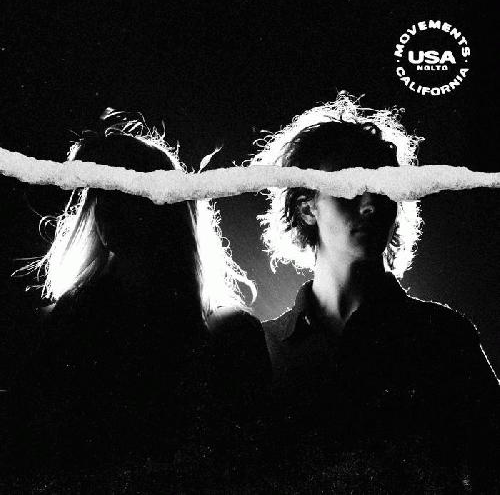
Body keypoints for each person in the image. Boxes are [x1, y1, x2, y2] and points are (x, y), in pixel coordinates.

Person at [252, 92, 500, 491]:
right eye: (351, 184)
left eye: (383, 185)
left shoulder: (444, 337)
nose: (371, 203)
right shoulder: (263, 349)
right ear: (306, 208)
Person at [4, 112, 255, 487]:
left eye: (127, 194)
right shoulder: (53, 333)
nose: (109, 207)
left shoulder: (231, 335)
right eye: (104, 194)